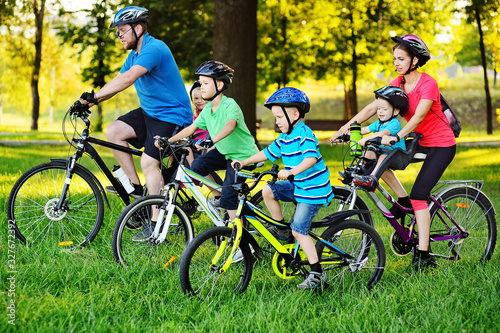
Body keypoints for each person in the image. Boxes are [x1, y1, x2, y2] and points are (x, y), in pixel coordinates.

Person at [330, 33, 456, 271]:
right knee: (379, 155)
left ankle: (424, 254)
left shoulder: (428, 83)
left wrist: (397, 135)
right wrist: (346, 128)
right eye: (395, 58)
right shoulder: (397, 83)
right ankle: (402, 201)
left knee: (421, 196)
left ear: (415, 60)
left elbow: (418, 116)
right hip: (417, 140)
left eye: (401, 59)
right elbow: (373, 107)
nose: (396, 63)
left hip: (440, 144)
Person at [79, 6, 192, 201]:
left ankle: (155, 220)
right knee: (114, 131)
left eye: (122, 30)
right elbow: (117, 81)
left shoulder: (154, 48)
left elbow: (129, 79)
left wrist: (95, 97)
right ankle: (136, 189)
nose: (119, 35)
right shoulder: (134, 56)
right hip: (150, 113)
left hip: (172, 116)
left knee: (148, 163)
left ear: (138, 29)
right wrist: (90, 101)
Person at [232, 87, 334, 290]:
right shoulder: (285, 137)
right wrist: (244, 162)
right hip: (297, 184)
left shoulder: (304, 134)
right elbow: (267, 153)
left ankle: (317, 273)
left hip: (312, 189)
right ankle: (281, 230)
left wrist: (292, 171)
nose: (276, 121)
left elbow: (311, 158)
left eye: (279, 116)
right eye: (275, 117)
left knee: (299, 230)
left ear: (295, 114)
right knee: (267, 191)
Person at [165, 60, 259, 222]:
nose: (201, 87)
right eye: (200, 83)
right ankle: (218, 197)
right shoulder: (208, 109)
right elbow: (190, 129)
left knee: (229, 199)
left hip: (243, 157)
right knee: (197, 166)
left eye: (205, 83)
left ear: (220, 85)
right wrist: (168, 141)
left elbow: (230, 126)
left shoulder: (230, 105)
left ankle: (238, 237)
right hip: (226, 153)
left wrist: (211, 141)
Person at [351, 86, 409, 191]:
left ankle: (371, 178)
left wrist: (365, 139)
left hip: (397, 154)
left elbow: (383, 133)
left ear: (395, 111)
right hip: (383, 151)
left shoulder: (395, 124)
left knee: (383, 157)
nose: (380, 112)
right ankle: (358, 173)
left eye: (384, 109)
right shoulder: (379, 122)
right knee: (367, 154)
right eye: (378, 109)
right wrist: (350, 133)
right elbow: (365, 129)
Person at [185, 81, 210, 166]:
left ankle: (193, 165)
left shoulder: (210, 113)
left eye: (203, 98)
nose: (199, 101)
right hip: (195, 142)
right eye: (196, 98)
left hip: (205, 143)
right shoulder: (195, 114)